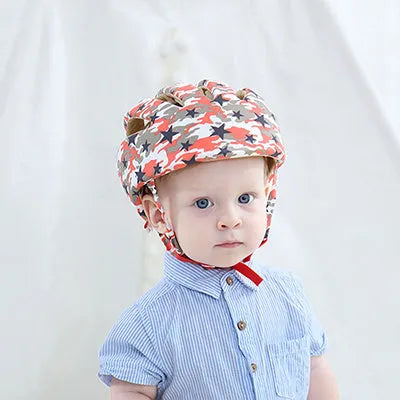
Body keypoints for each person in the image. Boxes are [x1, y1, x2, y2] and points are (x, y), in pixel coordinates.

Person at [98, 79, 339, 399]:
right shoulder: (149, 325)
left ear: (267, 194)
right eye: (203, 203)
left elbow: (314, 369)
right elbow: (132, 392)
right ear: (159, 214)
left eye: (245, 198)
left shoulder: (286, 294)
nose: (230, 219)